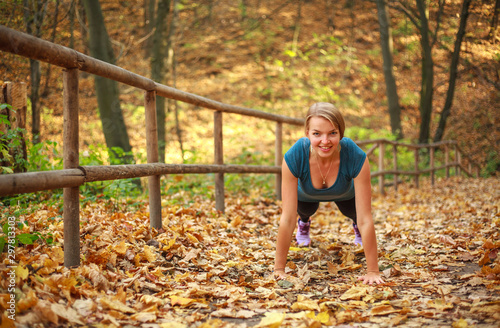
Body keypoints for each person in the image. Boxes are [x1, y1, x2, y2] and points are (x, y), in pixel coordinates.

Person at [273, 102, 384, 285]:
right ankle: (305, 224)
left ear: (341, 133)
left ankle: (356, 229)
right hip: (306, 195)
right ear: (307, 133)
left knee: (355, 214)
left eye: (332, 133)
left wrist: (373, 271)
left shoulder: (355, 156)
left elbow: (366, 217)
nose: (325, 141)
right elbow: (286, 218)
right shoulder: (295, 156)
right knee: (304, 211)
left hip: (345, 194)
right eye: (317, 134)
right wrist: (279, 269)